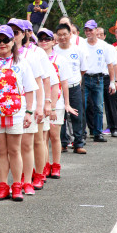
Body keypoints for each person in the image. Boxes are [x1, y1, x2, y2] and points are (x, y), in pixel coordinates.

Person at [0, 25, 37, 201]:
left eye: (6, 40)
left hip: (16, 113)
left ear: (13, 41)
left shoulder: (21, 63)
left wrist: (29, 112)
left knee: (15, 150)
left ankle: (17, 186)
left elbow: (29, 89)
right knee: (1, 151)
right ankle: (3, 185)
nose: (2, 43)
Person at [7, 19, 49, 196]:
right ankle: (18, 179)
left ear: (25, 34)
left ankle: (34, 176)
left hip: (29, 104)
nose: (13, 36)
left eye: (17, 32)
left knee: (31, 143)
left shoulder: (34, 53)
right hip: (10, 107)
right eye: (11, 32)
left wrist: (42, 105)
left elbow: (41, 80)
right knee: (13, 147)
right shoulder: (3, 53)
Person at [36, 28, 77, 181]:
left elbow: (64, 83)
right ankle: (44, 165)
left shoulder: (60, 60)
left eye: (47, 39)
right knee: (43, 137)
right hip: (41, 103)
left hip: (57, 103)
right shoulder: (35, 57)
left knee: (55, 135)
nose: (44, 42)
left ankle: (56, 165)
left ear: (54, 41)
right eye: (41, 39)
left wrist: (66, 103)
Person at [55, 22, 87, 154]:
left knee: (77, 115)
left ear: (70, 35)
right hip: (58, 89)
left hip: (74, 87)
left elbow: (83, 70)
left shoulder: (78, 50)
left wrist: (76, 81)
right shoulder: (54, 50)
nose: (62, 37)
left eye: (65, 34)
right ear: (56, 36)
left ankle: (78, 143)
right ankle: (63, 143)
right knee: (60, 115)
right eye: (60, 35)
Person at [83, 20, 116, 143]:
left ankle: (97, 133)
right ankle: (82, 133)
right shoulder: (81, 44)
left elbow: (110, 64)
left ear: (96, 30)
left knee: (98, 106)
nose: (88, 32)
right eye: (86, 30)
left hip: (98, 78)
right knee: (83, 106)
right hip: (85, 77)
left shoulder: (104, 45)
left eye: (90, 30)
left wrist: (112, 81)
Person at [96, 26, 117, 138]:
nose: (99, 36)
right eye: (97, 34)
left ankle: (114, 127)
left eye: (101, 34)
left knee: (110, 103)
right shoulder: (89, 46)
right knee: (95, 105)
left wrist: (115, 81)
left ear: (105, 36)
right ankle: (95, 129)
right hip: (94, 78)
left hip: (106, 77)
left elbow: (115, 65)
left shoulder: (108, 47)